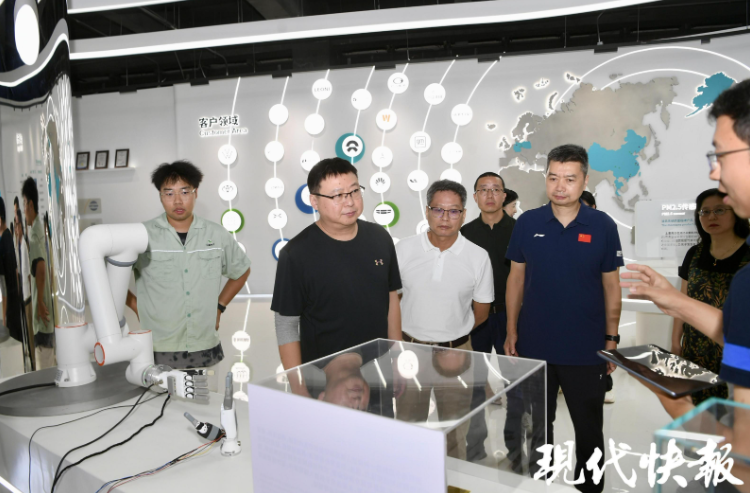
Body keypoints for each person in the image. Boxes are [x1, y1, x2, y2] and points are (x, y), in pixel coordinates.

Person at [621, 80, 750, 413]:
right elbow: (741, 341)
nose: (714, 173)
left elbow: (742, 443)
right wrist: (676, 301)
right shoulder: (701, 257)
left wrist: (679, 408)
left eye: (721, 155)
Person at [505, 144, 623, 493]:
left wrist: (612, 339)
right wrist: (511, 330)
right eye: (553, 177)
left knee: (589, 430)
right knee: (538, 429)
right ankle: (540, 486)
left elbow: (611, 286)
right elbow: (515, 280)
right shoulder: (528, 222)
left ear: (584, 180)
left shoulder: (602, 225)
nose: (560, 186)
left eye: (570, 179)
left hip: (586, 349)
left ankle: (590, 488)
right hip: (535, 345)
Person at [395, 179, 494, 460]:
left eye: (453, 211)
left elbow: (482, 311)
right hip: (410, 351)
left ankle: (453, 480)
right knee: (408, 427)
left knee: (454, 433)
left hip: (457, 352)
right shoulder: (404, 249)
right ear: (427, 211)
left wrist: (453, 334)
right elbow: (392, 301)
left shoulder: (477, 257)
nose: (445, 218)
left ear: (463, 214)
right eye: (438, 210)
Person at [272, 157, 402, 369]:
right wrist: (297, 381)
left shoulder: (380, 237)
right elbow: (286, 324)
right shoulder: (295, 254)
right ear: (314, 201)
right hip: (325, 373)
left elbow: (391, 297)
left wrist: (396, 356)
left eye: (354, 191)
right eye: (337, 195)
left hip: (378, 367)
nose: (349, 202)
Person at [126, 160, 250, 375]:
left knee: (207, 395)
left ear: (195, 193)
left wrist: (219, 306)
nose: (177, 200)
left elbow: (241, 270)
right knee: (156, 397)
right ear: (160, 196)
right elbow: (109, 278)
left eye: (184, 192)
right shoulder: (141, 235)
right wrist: (136, 305)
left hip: (205, 345)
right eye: (169, 193)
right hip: (158, 346)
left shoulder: (216, 234)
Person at [672, 188, 750, 407]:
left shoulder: (748, 255)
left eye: (719, 210)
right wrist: (675, 342)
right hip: (695, 348)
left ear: (736, 213)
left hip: (735, 351)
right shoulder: (694, 254)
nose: (711, 217)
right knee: (697, 411)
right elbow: (682, 302)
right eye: (704, 212)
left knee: (732, 414)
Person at [460, 172, 517, 462]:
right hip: (476, 320)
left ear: (504, 195)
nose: (490, 195)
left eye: (496, 189)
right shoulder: (465, 233)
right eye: (483, 189)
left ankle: (516, 450)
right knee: (473, 386)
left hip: (511, 319)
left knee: (516, 386)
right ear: (475, 197)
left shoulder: (519, 230)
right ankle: (473, 449)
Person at [579, 191, 616, 404]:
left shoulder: (604, 229)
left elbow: (611, 283)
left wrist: (612, 337)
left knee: (598, 354)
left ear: (594, 208)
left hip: (596, 310)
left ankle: (606, 385)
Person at [22, 178, 56, 369]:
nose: (24, 211)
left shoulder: (35, 234)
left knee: (45, 368)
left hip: (42, 318)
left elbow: (41, 267)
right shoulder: (39, 230)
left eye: (24, 204)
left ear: (30, 204)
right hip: (47, 315)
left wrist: (41, 303)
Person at [13, 198, 34, 370]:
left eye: (18, 225)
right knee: (26, 332)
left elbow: (28, 275)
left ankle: (34, 364)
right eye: (15, 225)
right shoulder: (17, 245)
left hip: (28, 298)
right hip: (22, 296)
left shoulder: (25, 247)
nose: (16, 229)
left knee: (31, 333)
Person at [0, 197, 22, 345]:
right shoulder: (7, 237)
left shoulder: (4, 241)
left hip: (11, 307)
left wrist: (4, 317)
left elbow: (4, 285)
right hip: (14, 303)